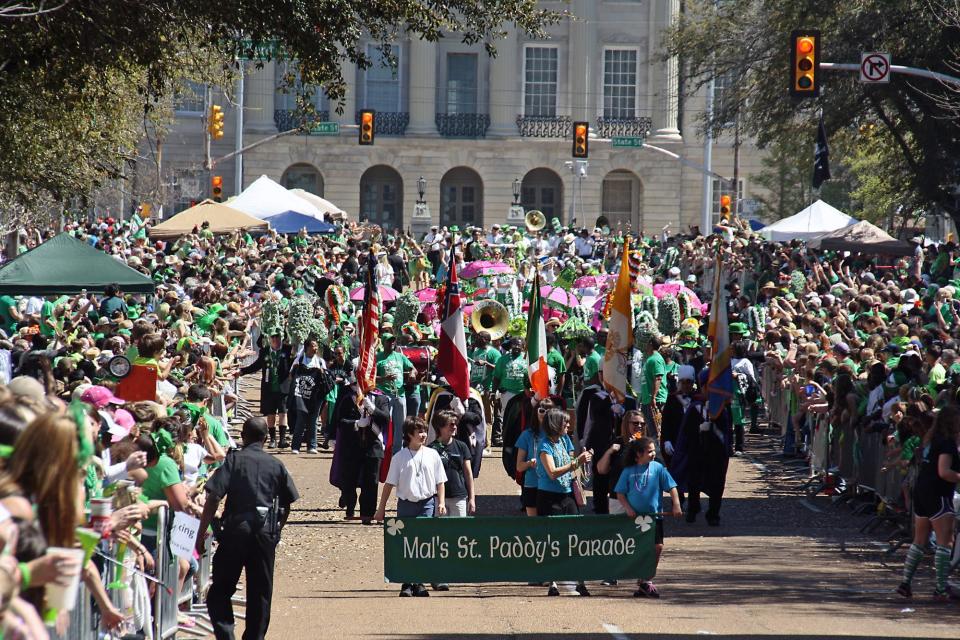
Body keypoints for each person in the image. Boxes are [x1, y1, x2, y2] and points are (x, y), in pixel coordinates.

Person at [199, 417, 300, 640]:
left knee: (221, 589)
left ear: (243, 436)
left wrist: (201, 532)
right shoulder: (276, 464)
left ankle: (226, 635)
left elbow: (214, 496)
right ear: (266, 438)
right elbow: (287, 503)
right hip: (264, 532)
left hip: (235, 530)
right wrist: (277, 531)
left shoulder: (233, 461)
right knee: (261, 592)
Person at [374, 417, 448, 597]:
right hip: (406, 505)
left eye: (424, 431)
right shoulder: (399, 457)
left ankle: (420, 582)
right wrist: (381, 508)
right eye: (419, 432)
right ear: (409, 435)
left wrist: (442, 502)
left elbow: (440, 482)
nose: (423, 435)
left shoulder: (432, 454)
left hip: (427, 504)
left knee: (422, 543)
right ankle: (407, 583)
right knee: (406, 543)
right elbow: (389, 484)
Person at [896, 404, 960, 601]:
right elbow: (944, 471)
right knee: (945, 541)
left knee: (919, 539)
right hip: (938, 493)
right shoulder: (947, 443)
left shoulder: (931, 439)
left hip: (922, 491)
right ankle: (941, 588)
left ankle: (905, 583)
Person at [615, 437, 682, 598]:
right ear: (638, 454)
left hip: (654, 517)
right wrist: (628, 508)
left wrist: (676, 504)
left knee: (657, 547)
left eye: (654, 450)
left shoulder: (658, 468)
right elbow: (620, 493)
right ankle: (642, 579)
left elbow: (672, 487)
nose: (653, 454)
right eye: (649, 451)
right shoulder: (628, 471)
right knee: (638, 549)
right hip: (634, 519)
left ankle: (646, 579)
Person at [536, 408, 591, 597]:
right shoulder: (544, 445)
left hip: (567, 495)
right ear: (555, 424)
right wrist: (576, 462)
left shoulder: (565, 440)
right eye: (565, 423)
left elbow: (571, 464)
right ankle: (553, 581)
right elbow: (552, 472)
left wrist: (581, 461)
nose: (569, 425)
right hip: (549, 496)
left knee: (576, 537)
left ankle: (580, 580)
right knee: (553, 540)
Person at [239, 333, 292, 448]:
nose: (275, 339)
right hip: (269, 387)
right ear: (269, 339)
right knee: (270, 413)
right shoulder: (265, 351)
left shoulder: (288, 350)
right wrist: (242, 371)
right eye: (272, 337)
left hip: (283, 387)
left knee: (283, 413)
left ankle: (282, 440)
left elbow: (294, 363)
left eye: (277, 337)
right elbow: (256, 365)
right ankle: (272, 439)